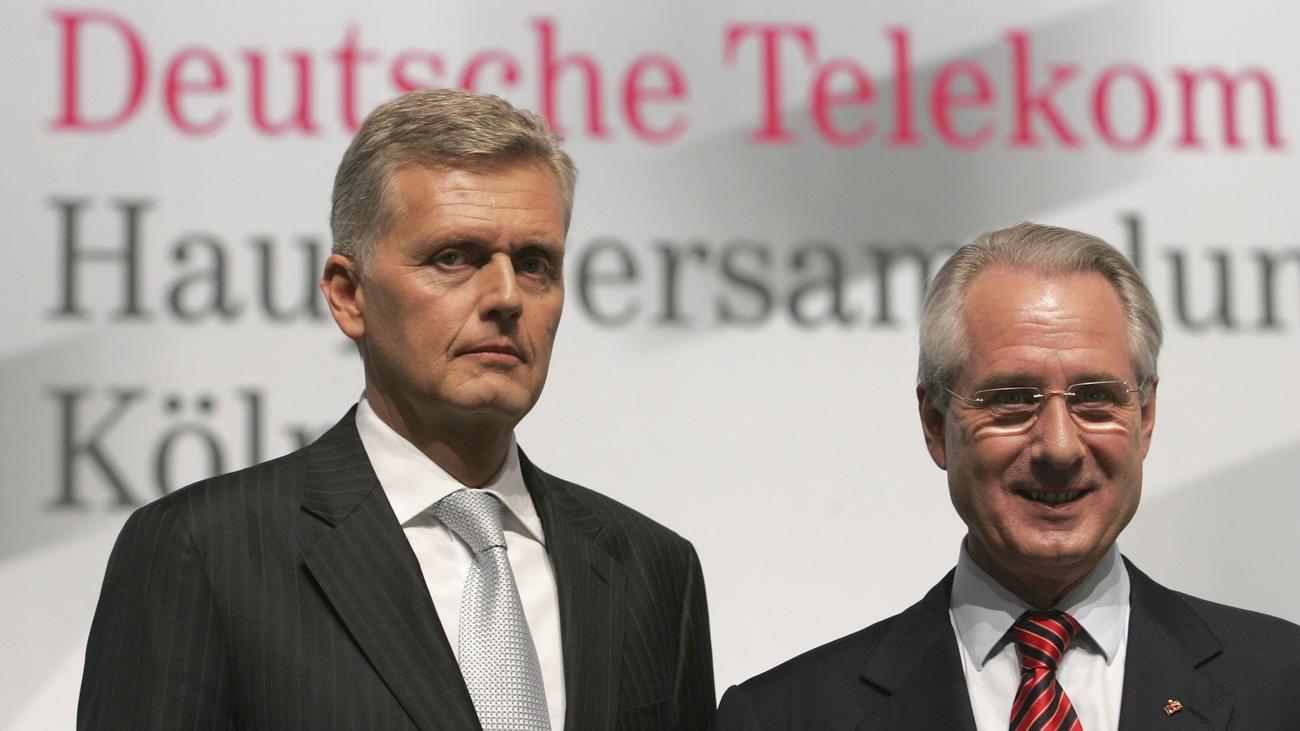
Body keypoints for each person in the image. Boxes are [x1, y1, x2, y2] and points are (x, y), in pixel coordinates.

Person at [79, 89, 714, 731]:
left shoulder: (654, 570)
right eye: (453, 257)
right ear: (348, 294)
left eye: (534, 264)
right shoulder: (206, 551)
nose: (506, 297)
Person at [716, 222, 1300, 730]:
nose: (1059, 447)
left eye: (1095, 398)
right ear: (935, 424)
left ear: (1144, 418)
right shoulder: (785, 716)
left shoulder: (1284, 687)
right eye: (1012, 399)